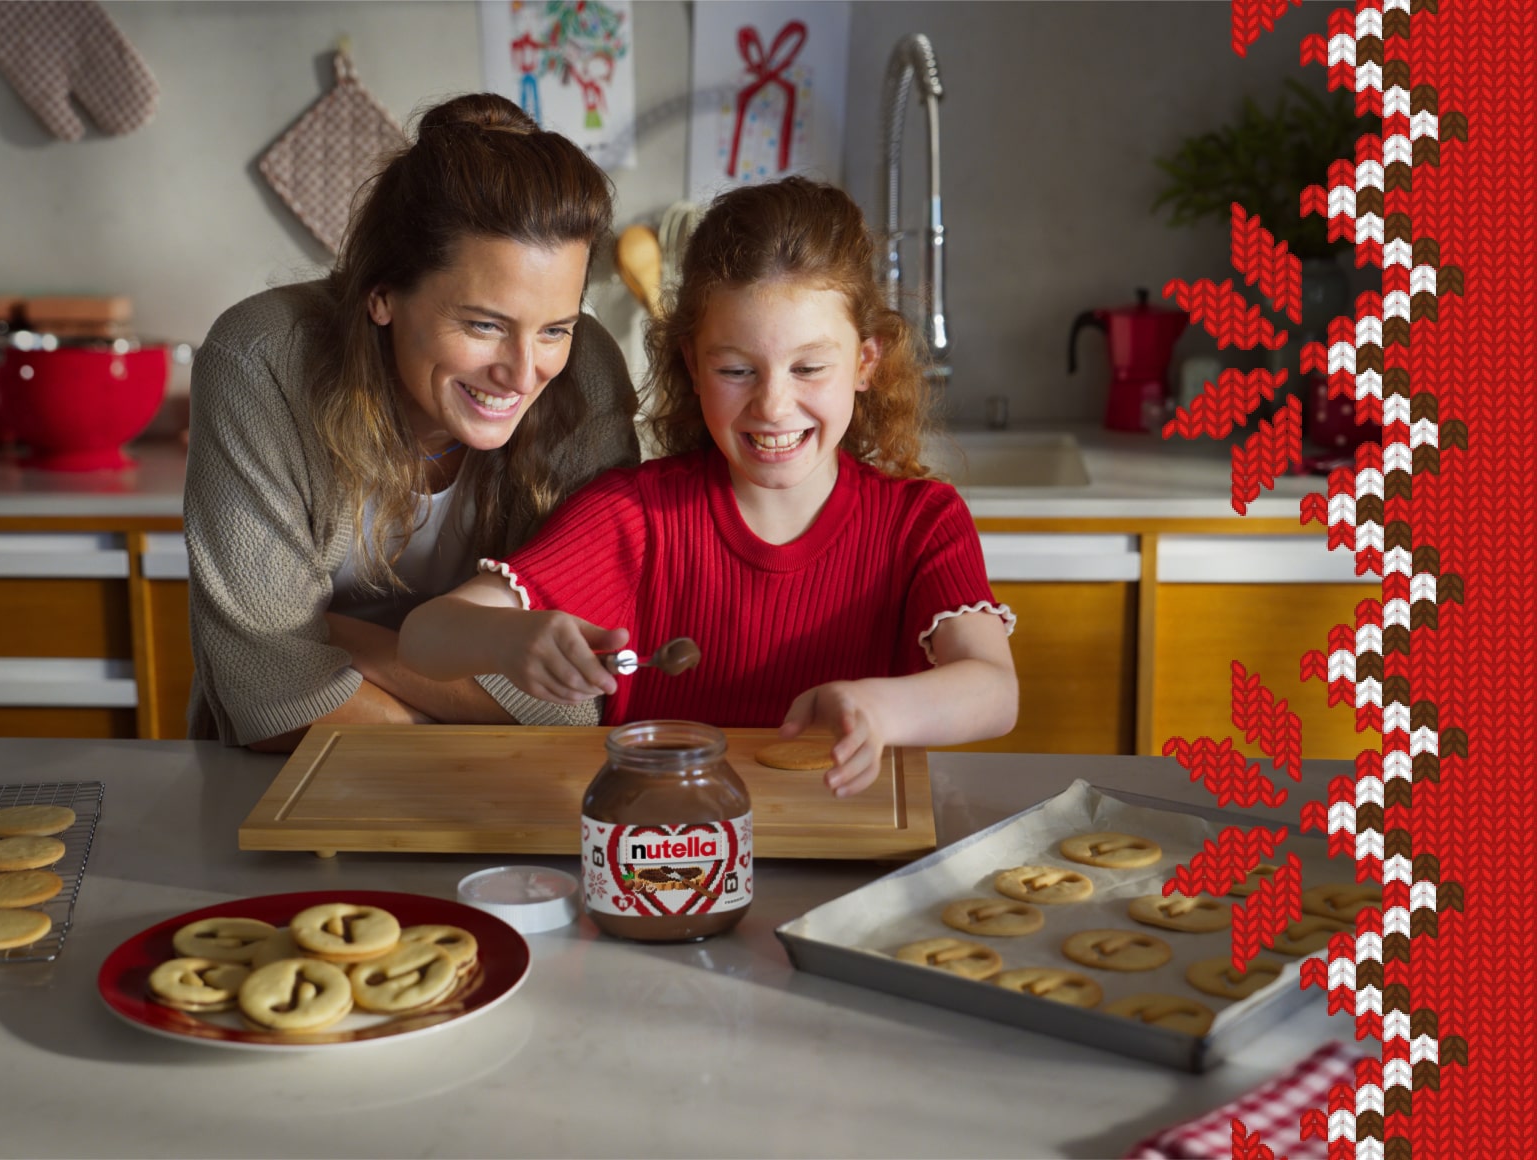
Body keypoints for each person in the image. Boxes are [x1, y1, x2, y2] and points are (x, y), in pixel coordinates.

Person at [400, 178, 1017, 796]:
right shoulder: (636, 517)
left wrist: (880, 711)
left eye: (808, 367)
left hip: (855, 850)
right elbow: (426, 635)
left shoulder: (921, 522)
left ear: (865, 362)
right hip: (664, 849)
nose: (773, 405)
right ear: (692, 366)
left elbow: (994, 691)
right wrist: (511, 637)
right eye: (736, 370)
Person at [184, 94, 638, 752]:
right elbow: (268, 698)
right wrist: (471, 704)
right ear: (383, 294)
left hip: (507, 796)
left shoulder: (587, 371)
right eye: (484, 325)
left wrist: (336, 634)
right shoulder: (261, 363)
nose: (522, 372)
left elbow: (575, 707)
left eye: (554, 329)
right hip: (276, 791)